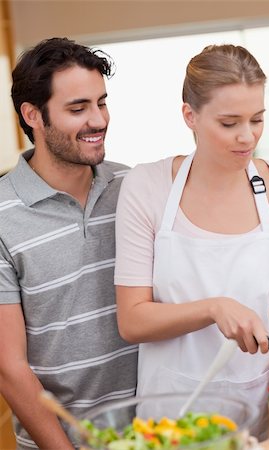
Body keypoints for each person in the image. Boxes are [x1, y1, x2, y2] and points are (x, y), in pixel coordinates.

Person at [114, 44, 269, 441]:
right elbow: (132, 320)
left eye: (257, 119)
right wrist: (214, 308)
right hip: (167, 420)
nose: (247, 136)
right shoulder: (146, 186)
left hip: (253, 416)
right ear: (190, 115)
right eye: (229, 122)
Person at [0, 37, 138, 449]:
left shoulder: (130, 187)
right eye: (78, 109)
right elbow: (9, 366)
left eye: (101, 102)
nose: (98, 120)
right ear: (33, 116)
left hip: (151, 433)